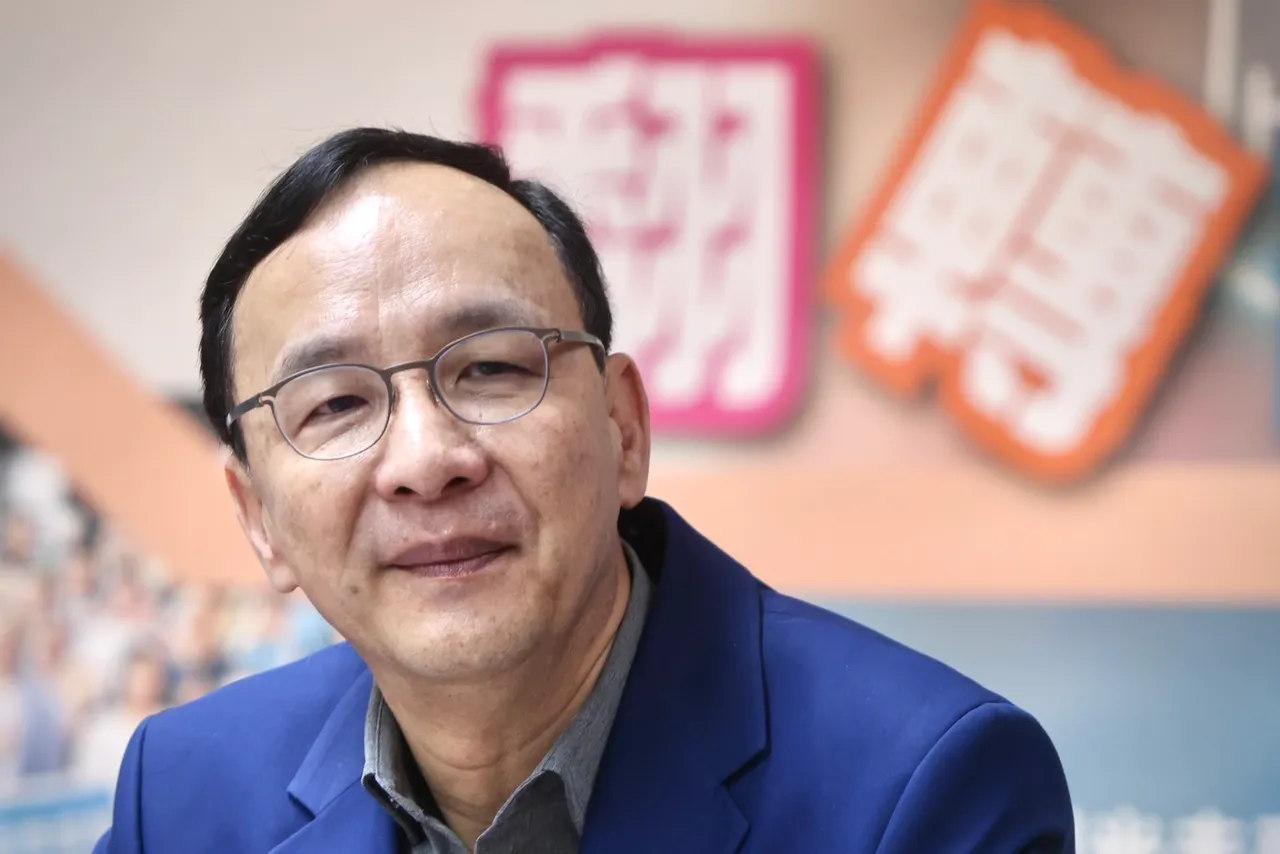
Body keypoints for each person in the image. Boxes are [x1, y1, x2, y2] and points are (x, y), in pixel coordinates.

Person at [94, 128, 1074, 853]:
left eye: (490, 369)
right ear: (258, 517)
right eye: (336, 403)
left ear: (623, 429)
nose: (426, 459)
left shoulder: (920, 790)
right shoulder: (180, 796)